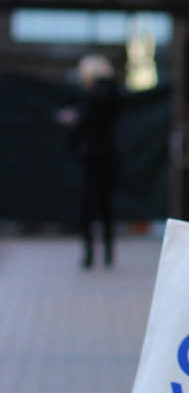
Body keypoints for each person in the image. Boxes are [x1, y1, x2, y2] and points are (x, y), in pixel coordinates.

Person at [60, 52, 120, 268]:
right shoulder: (102, 94)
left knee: (94, 206)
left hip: (95, 157)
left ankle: (96, 254)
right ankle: (101, 253)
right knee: (102, 207)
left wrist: (74, 118)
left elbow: (86, 116)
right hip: (100, 157)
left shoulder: (99, 94)